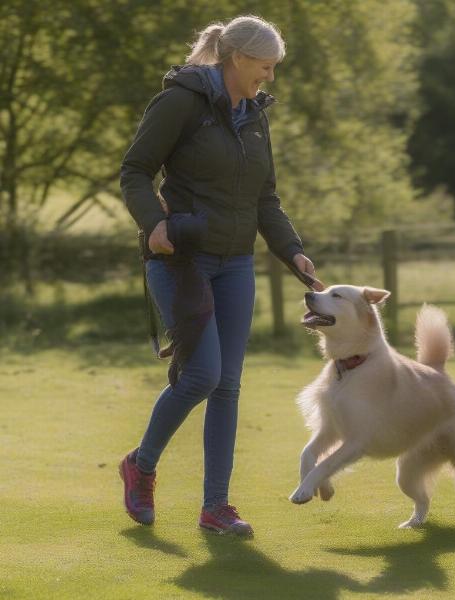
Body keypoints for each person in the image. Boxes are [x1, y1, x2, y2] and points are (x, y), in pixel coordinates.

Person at [118, 15, 323, 536]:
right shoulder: (180, 102)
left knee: (227, 385)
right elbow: (135, 170)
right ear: (236, 58)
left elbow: (265, 198)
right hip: (181, 259)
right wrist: (154, 223)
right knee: (203, 375)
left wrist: (292, 252)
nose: (269, 77)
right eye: (264, 66)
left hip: (236, 264)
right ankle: (140, 466)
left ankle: (216, 508)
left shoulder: (255, 115)